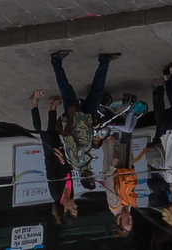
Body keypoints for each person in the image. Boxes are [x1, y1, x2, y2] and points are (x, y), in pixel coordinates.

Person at [47, 49, 122, 184]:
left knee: (66, 89)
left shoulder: (76, 160)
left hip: (74, 117)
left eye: (90, 179)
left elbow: (67, 135)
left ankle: (56, 60)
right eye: (93, 178)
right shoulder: (87, 163)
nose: (92, 176)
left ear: (84, 177)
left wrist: (70, 114)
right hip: (87, 119)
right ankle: (104, 62)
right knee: (97, 92)